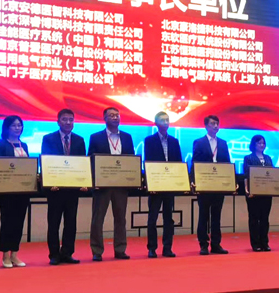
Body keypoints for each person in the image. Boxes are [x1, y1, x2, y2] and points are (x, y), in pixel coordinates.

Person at [88, 107, 135, 261]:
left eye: (117, 115)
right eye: (111, 115)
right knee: (98, 219)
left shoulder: (127, 137)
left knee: (121, 218)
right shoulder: (96, 137)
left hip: (121, 185)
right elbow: (91, 160)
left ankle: (120, 249)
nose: (115, 118)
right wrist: (94, 181)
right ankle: (97, 251)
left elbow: (131, 160)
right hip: (102, 185)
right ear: (105, 118)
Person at [41, 109, 87, 265]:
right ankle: (54, 254)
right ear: (58, 121)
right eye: (65, 119)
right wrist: (50, 182)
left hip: (72, 189)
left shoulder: (79, 140)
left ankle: (67, 253)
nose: (68, 122)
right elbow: (46, 161)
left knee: (71, 223)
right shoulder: (48, 139)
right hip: (55, 189)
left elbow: (82, 163)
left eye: (71, 119)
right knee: (54, 223)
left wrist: (84, 182)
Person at [143, 111, 183, 258]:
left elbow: (178, 162)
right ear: (156, 123)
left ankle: (167, 248)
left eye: (167, 120)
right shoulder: (149, 140)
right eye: (162, 120)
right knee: (152, 218)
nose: (166, 123)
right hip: (156, 184)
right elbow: (148, 163)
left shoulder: (174, 141)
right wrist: (150, 183)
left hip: (170, 184)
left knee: (169, 218)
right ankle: (152, 248)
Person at [0, 115, 31, 268]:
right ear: (7, 128)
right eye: (14, 125)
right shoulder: (0, 144)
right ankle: (5, 255)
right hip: (6, 191)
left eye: (19, 125)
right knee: (7, 222)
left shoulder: (24, 145)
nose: (17, 128)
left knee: (19, 222)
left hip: (23, 190)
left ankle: (15, 254)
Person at [192, 115, 232, 255]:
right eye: (213, 123)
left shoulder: (223, 143)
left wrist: (229, 181)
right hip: (204, 184)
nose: (216, 126)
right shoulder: (199, 142)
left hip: (219, 184)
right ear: (206, 126)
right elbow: (195, 163)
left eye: (217, 123)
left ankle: (216, 244)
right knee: (203, 215)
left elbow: (227, 163)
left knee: (216, 215)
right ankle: (203, 244)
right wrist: (194, 182)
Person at [243, 135, 274, 252]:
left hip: (267, 192)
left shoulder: (268, 158)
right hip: (253, 193)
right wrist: (247, 190)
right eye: (259, 143)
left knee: (265, 219)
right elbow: (246, 175)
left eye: (263, 143)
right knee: (254, 219)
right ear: (253, 144)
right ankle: (255, 244)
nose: (262, 145)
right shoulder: (248, 158)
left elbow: (273, 174)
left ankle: (265, 243)